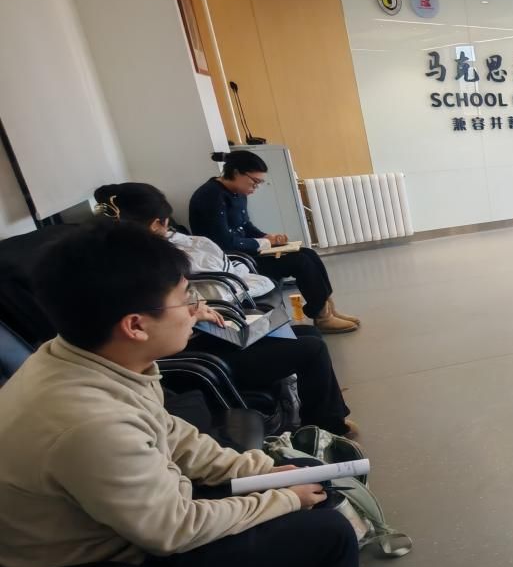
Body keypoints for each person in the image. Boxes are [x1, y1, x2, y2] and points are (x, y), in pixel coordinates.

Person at [0, 221, 419, 567]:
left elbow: (172, 433)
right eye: (186, 299)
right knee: (328, 533)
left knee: (302, 472)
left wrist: (261, 470)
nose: (197, 309)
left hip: (132, 516)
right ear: (136, 325)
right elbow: (174, 529)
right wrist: (285, 498)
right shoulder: (90, 424)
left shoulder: (82, 358)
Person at [96, 183, 358, 438]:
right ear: (157, 224)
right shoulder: (143, 275)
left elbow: (166, 315)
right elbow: (160, 329)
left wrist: (195, 311)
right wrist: (194, 314)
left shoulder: (126, 265)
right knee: (312, 348)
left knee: (308, 333)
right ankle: (327, 424)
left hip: (203, 340)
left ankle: (325, 414)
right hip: (200, 357)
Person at [189, 151, 359, 334]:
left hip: (246, 253)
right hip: (235, 263)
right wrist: (263, 242)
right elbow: (224, 243)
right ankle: (322, 317)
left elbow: (246, 225)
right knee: (300, 262)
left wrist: (269, 237)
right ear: (237, 172)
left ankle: (327, 308)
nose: (256, 187)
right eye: (254, 181)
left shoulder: (237, 192)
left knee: (308, 253)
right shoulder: (210, 197)